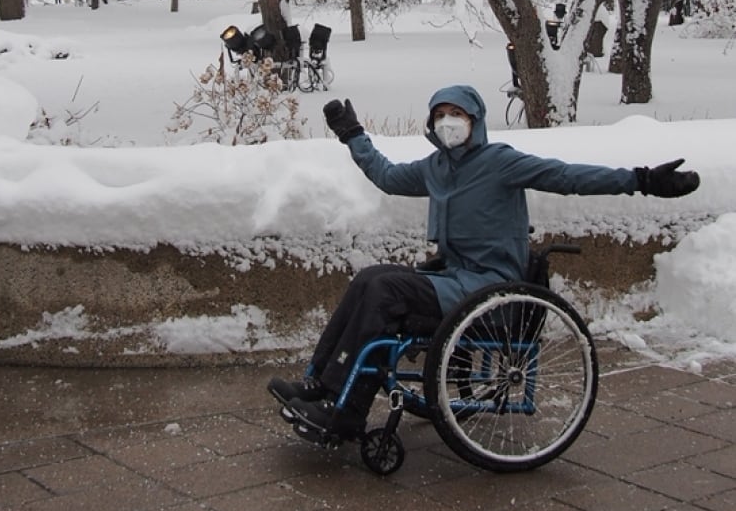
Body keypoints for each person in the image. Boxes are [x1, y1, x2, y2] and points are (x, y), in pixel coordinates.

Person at [268, 85, 700, 437]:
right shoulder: (435, 167)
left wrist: (641, 180)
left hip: (492, 288)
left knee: (384, 289)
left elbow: (567, 176)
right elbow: (386, 176)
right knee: (369, 278)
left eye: (456, 113)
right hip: (454, 279)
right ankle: (319, 382)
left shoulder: (501, 162)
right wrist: (353, 135)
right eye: (440, 115)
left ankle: (346, 412)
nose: (447, 122)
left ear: (475, 120)